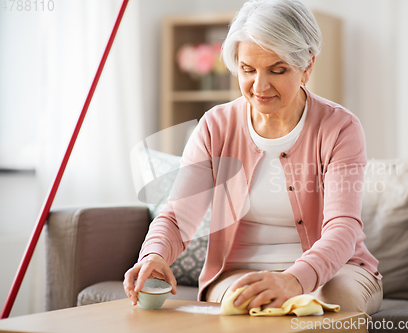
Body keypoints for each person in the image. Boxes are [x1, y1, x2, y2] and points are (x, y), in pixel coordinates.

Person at [124, 0, 383, 315]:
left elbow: (342, 227)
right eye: (247, 70)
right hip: (239, 271)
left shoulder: (339, 127)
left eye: (277, 70)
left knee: (330, 305)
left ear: (308, 66)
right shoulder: (215, 126)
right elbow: (178, 218)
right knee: (243, 303)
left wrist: (294, 281)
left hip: (336, 270)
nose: (259, 86)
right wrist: (154, 255)